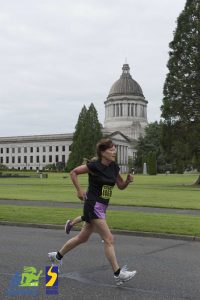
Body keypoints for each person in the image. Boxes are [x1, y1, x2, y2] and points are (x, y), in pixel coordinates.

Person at [48, 138, 137, 286]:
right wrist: (79, 190)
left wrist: (127, 181)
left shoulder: (114, 167)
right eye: (111, 149)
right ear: (102, 152)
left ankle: (57, 256)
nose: (114, 152)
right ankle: (118, 273)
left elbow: (120, 186)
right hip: (92, 205)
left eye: (115, 149)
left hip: (102, 207)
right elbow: (73, 172)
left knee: (82, 238)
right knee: (109, 239)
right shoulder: (94, 166)